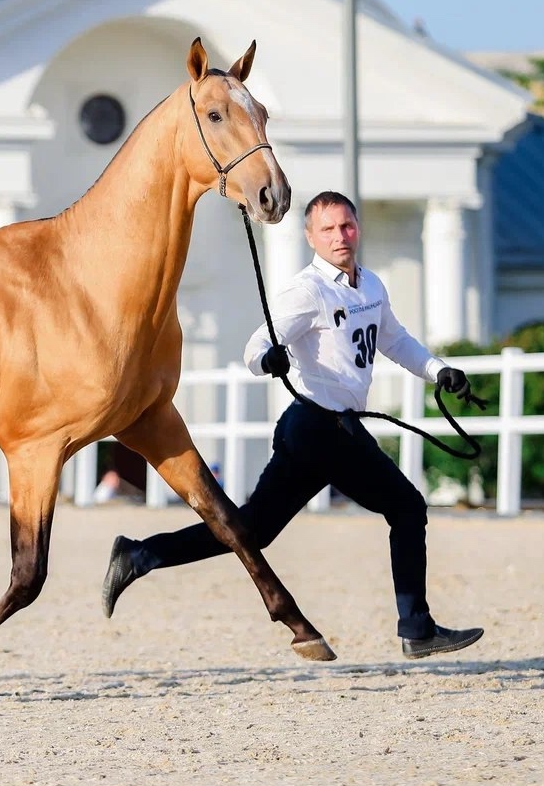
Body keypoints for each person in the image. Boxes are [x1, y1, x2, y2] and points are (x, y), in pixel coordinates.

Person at [102, 191, 483, 659]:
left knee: (254, 529)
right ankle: (417, 629)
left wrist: (437, 370)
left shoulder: (370, 286)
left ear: (357, 228)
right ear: (310, 237)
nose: (340, 236)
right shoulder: (308, 291)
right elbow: (254, 348)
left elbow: (395, 340)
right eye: (328, 229)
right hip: (316, 427)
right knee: (406, 507)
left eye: (346, 226)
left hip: (332, 429)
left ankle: (139, 555)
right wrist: (269, 359)